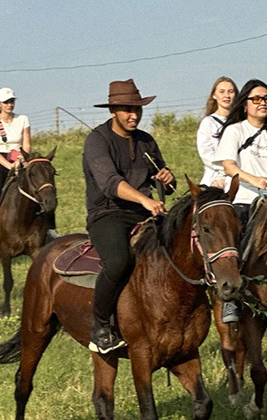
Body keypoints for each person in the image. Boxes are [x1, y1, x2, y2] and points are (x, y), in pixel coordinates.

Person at [83, 79, 176, 354]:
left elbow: (164, 181)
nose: (133, 115)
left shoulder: (146, 141)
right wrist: (145, 200)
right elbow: (111, 183)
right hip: (108, 214)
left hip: (146, 213)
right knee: (119, 261)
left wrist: (167, 179)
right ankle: (100, 326)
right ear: (113, 111)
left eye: (137, 109)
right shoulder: (97, 141)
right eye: (126, 109)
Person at [0, 87, 58, 242]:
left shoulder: (23, 119)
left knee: (43, 185)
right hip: (1, 160)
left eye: (11, 101)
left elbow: (26, 144)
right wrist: (9, 165)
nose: (9, 105)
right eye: (6, 102)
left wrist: (20, 159)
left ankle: (48, 226)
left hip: (20, 157)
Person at [214, 78, 267, 323]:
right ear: (245, 104)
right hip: (245, 198)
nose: (262, 103)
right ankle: (231, 300)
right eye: (256, 99)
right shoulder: (235, 131)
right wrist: (255, 180)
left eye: (266, 99)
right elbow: (228, 167)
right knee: (237, 246)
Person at [196, 76, 238, 188]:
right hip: (215, 177)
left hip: (242, 176)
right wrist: (227, 168)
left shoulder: (242, 122)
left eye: (231, 91)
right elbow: (206, 154)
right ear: (214, 95)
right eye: (222, 92)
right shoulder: (208, 123)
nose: (227, 96)